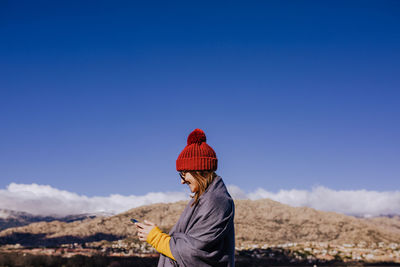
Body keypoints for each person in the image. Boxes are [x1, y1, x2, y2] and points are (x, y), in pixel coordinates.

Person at [135, 128, 235, 267]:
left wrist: (156, 238)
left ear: (198, 170)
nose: (182, 181)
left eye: (183, 173)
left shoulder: (217, 201)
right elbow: (189, 243)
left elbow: (194, 251)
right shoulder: (201, 199)